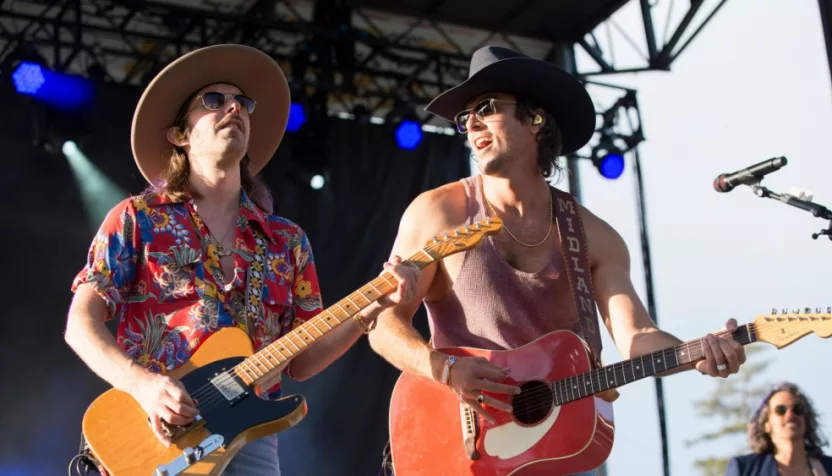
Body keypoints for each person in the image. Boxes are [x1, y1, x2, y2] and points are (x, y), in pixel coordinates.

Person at [360, 45, 748, 475]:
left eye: (485, 108)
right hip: (459, 444)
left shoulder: (595, 237)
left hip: (561, 450)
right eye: (463, 117)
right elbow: (384, 324)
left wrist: (698, 352)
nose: (471, 123)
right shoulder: (440, 212)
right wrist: (446, 369)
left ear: (535, 120)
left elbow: (636, 336)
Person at [63, 44, 418, 475]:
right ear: (180, 135)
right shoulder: (137, 218)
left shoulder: (286, 241)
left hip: (250, 439)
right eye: (214, 100)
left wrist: (372, 307)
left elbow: (303, 360)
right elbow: (80, 325)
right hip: (155, 432)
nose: (235, 107)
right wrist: (144, 386)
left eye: (243, 102)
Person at [726, 382, 831, 476]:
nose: (790, 414)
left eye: (798, 409)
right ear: (766, 424)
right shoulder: (744, 469)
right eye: (781, 410)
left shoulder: (827, 467)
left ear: (806, 419)